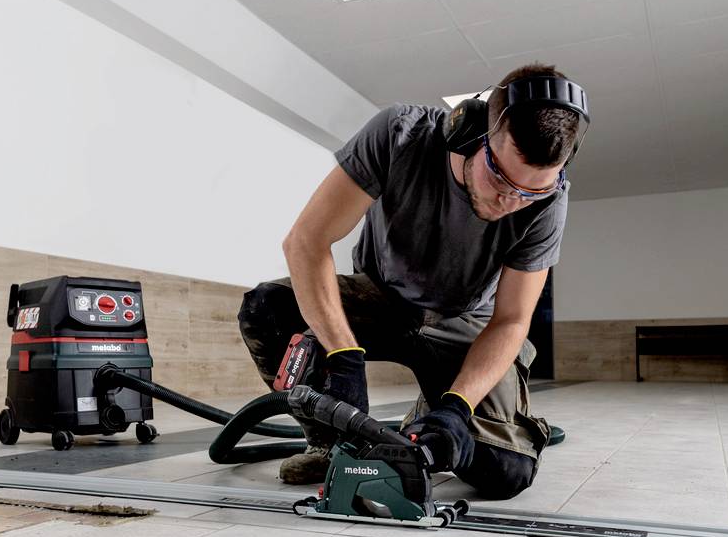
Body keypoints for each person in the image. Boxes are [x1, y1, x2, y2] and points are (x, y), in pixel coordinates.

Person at [238, 62, 588, 498]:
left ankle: (426, 423)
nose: (510, 201)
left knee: (505, 473)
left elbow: (513, 321)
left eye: (531, 191)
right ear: (471, 133)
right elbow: (306, 242)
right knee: (267, 309)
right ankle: (331, 443)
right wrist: (342, 356)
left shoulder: (549, 202)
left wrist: (457, 409)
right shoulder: (400, 134)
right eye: (500, 177)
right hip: (379, 300)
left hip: (466, 322)